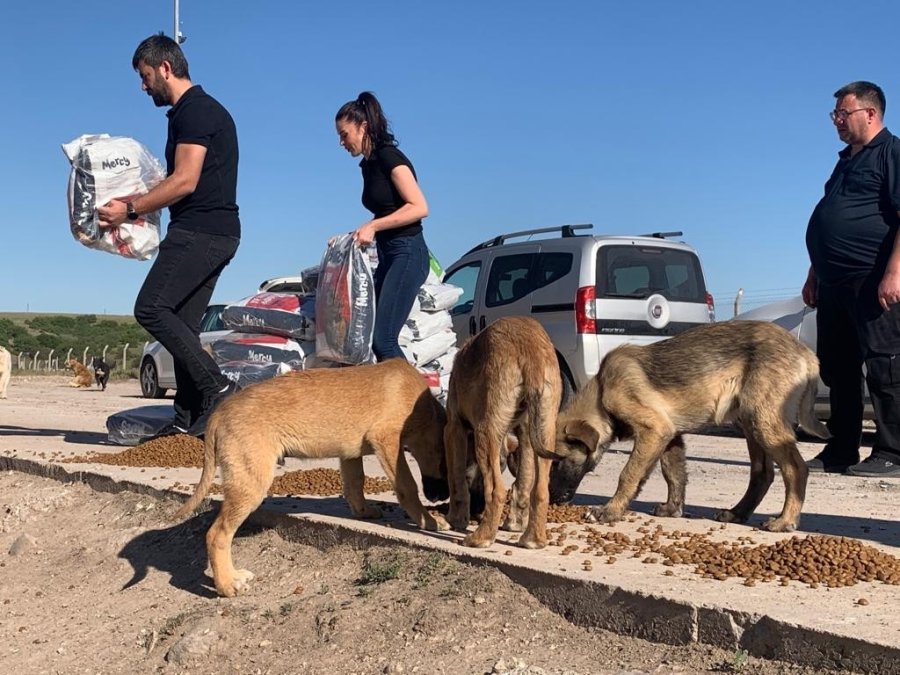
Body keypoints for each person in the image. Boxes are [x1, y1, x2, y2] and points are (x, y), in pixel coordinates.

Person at [98, 34, 240, 439]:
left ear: (165, 67)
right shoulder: (196, 112)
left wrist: (129, 209)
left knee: (151, 309)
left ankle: (219, 387)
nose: (143, 86)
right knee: (182, 324)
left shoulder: (194, 112)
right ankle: (191, 420)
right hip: (217, 232)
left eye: (145, 76)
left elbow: (185, 180)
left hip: (201, 231)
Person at [803, 80, 900, 477]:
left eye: (844, 114)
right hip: (833, 283)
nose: (837, 122)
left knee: (885, 366)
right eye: (835, 115)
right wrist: (813, 272)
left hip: (872, 279)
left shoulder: (891, 153)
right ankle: (841, 449)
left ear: (871, 114)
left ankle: (892, 453)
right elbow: (830, 217)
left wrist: (894, 272)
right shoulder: (845, 160)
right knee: (838, 367)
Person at [335, 91, 431, 362]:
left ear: (363, 127)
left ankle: (417, 403)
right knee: (366, 335)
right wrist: (347, 239)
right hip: (390, 254)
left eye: (344, 134)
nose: (342, 142)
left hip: (408, 252)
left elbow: (419, 207)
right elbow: (384, 213)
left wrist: (374, 226)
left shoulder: (389, 157)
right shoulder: (368, 165)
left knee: (383, 339)